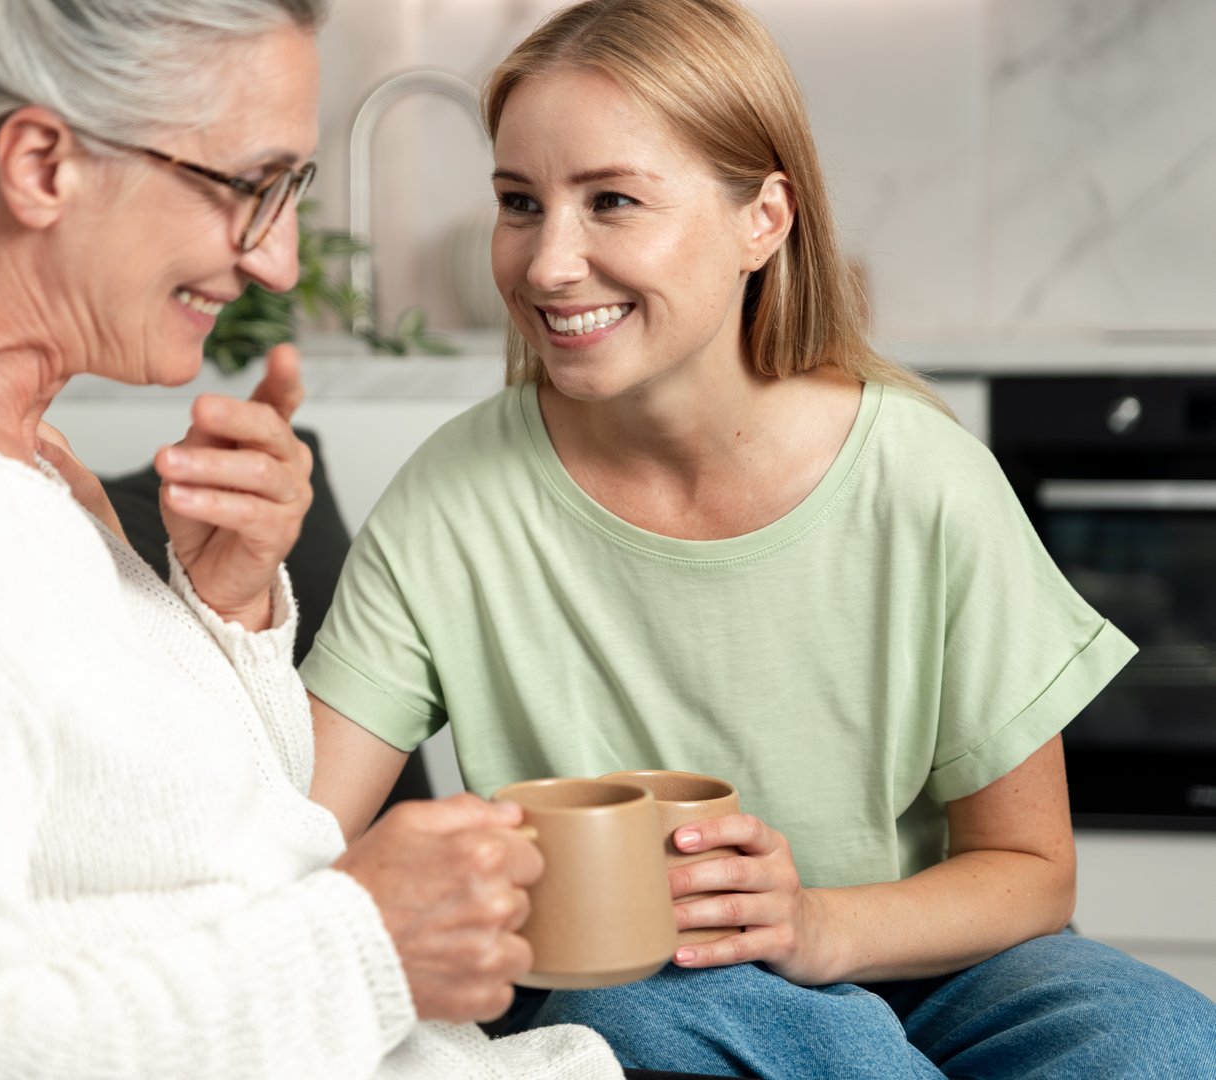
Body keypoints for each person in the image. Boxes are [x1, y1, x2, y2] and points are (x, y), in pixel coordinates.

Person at [0, 1, 633, 1076]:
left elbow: (205, 850)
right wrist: (369, 944)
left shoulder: (5, 457)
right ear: (43, 165)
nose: (280, 263)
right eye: (251, 187)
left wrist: (228, 609)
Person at [300, 0, 1216, 1076]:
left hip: (934, 962)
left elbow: (1028, 870)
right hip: (667, 985)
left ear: (763, 221)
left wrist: (820, 927)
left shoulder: (922, 480)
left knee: (1159, 1032)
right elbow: (302, 834)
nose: (549, 264)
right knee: (645, 1016)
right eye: (519, 202)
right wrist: (229, 602)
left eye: (612, 201)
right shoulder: (453, 501)